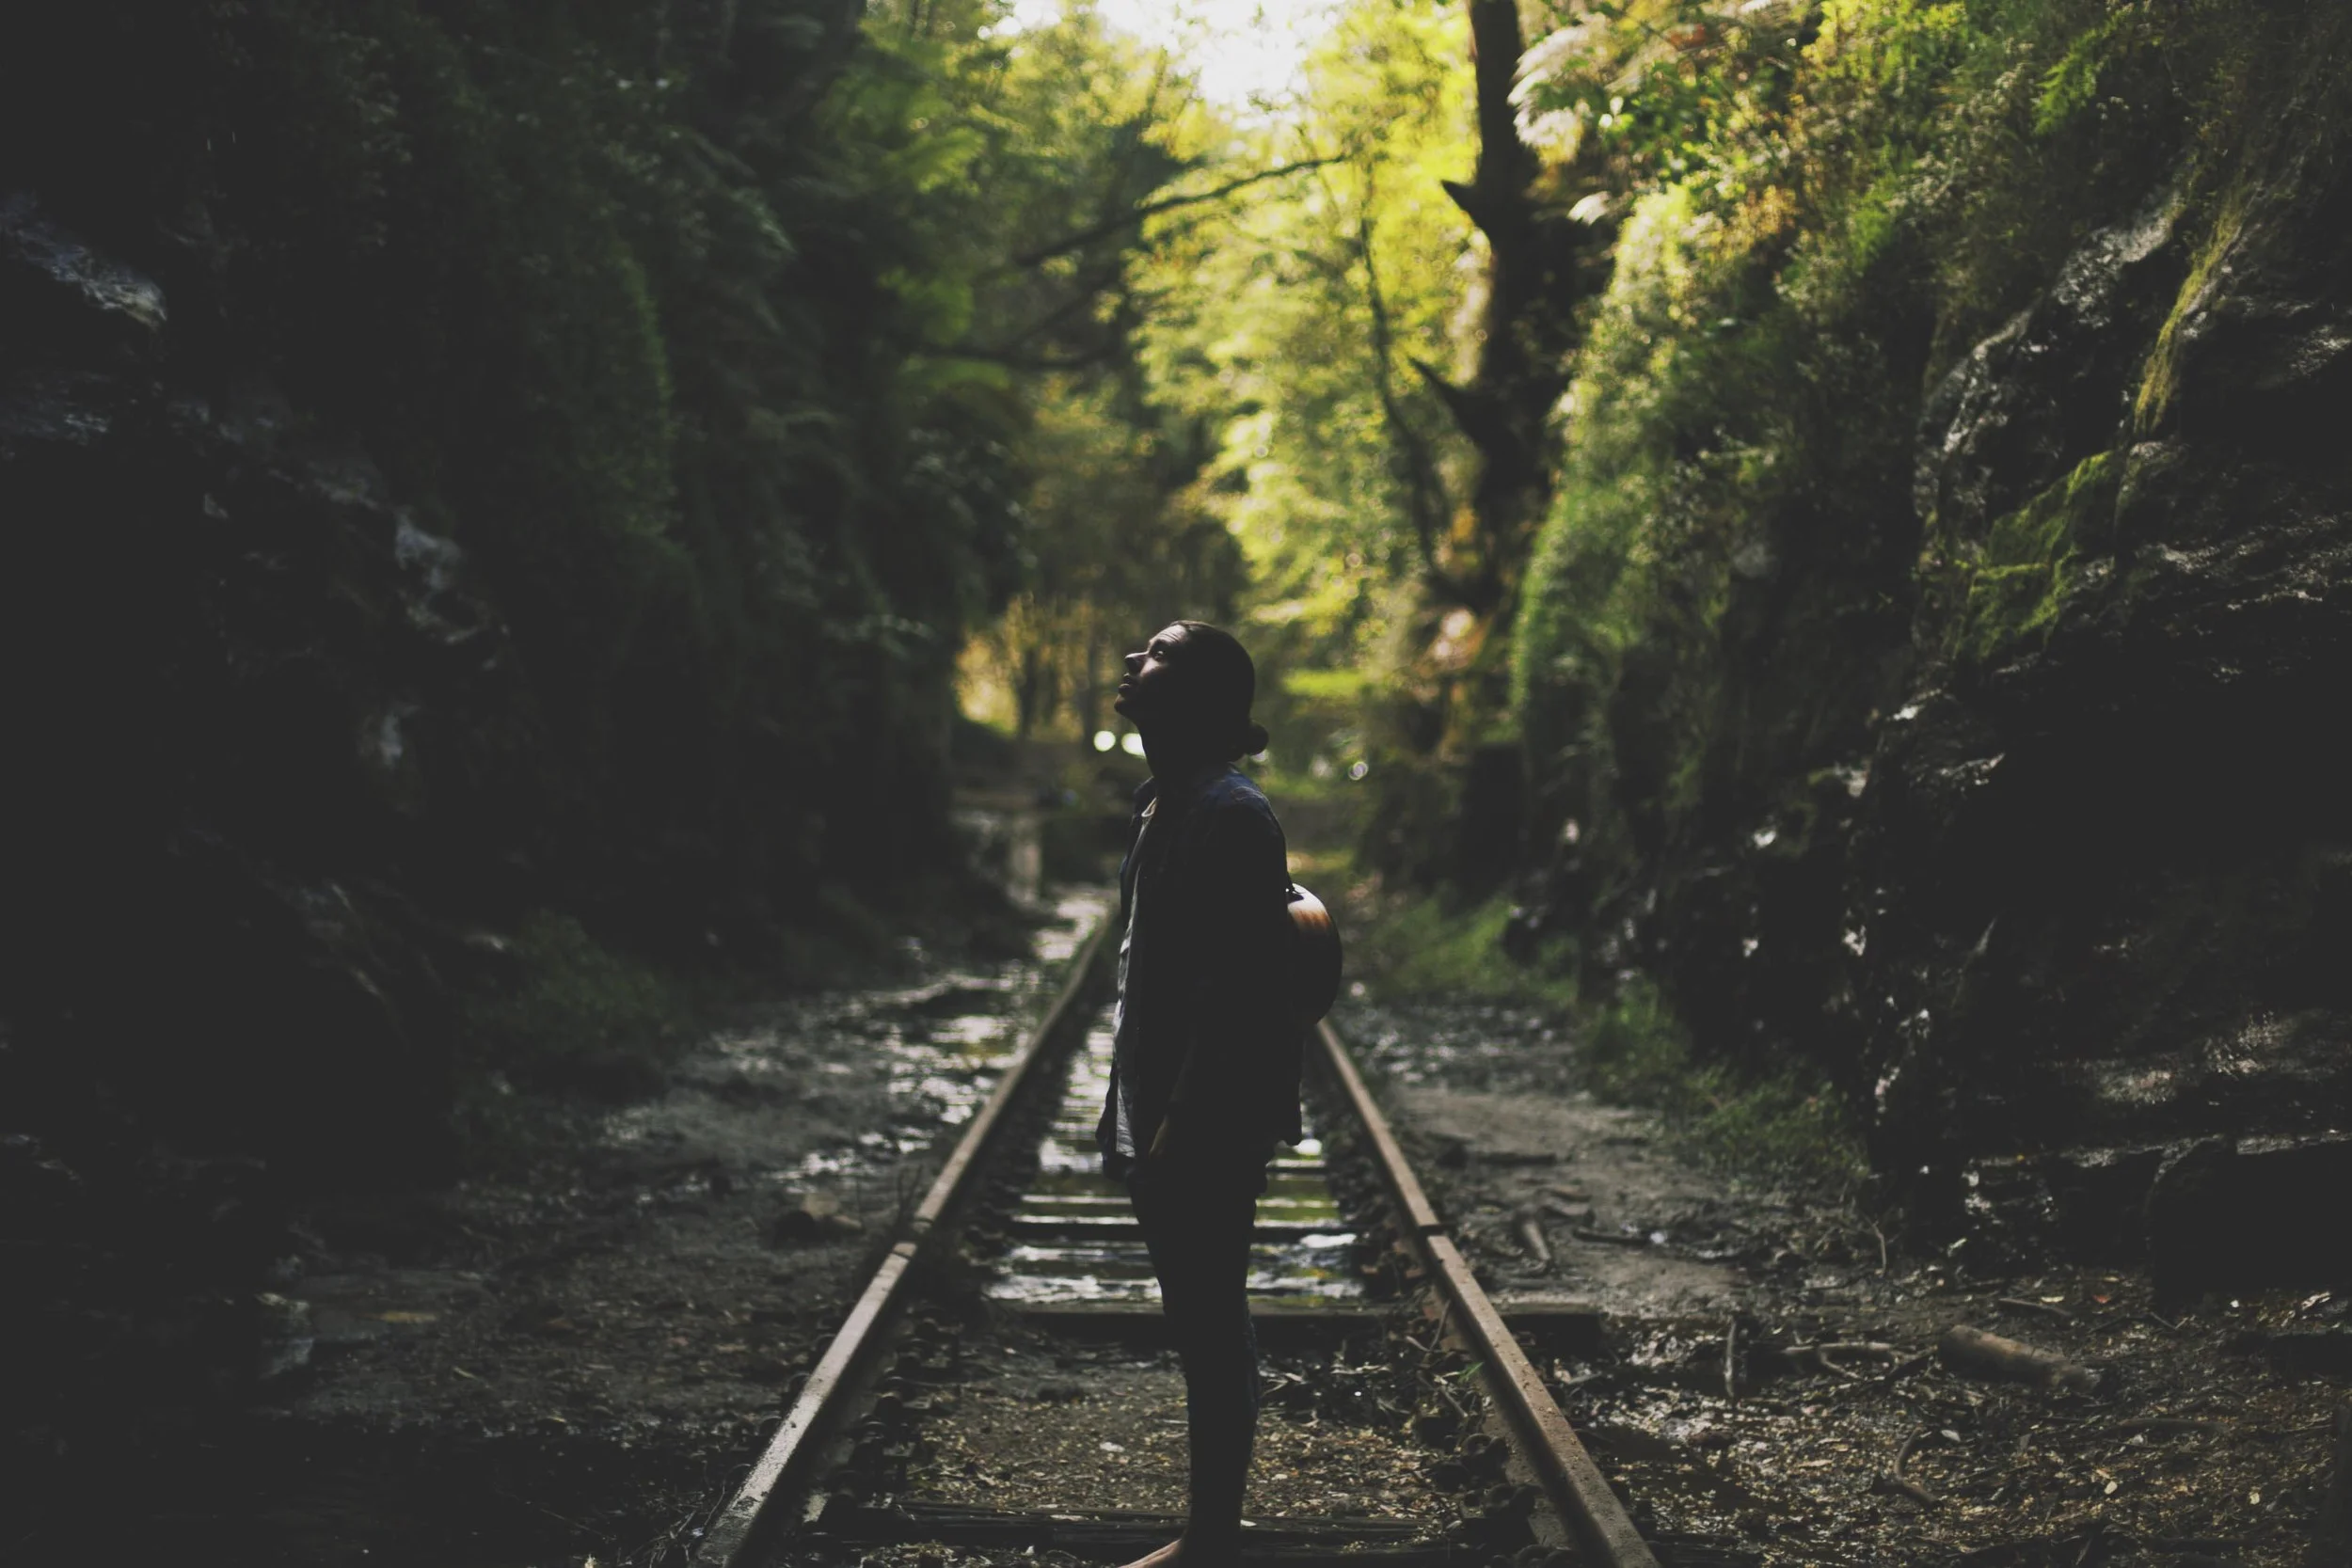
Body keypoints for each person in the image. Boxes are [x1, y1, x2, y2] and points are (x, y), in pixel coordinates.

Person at [1098, 621, 1302, 1568]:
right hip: (1160, 1109)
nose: (1135, 661)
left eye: (1160, 653)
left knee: (1211, 1317)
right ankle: (1206, 1530)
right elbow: (1149, 978)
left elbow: (1236, 993)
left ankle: (1211, 1538)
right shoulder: (1162, 804)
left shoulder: (1231, 813)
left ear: (1207, 699)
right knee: (1197, 1311)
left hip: (1204, 1118)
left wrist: (1178, 1123)